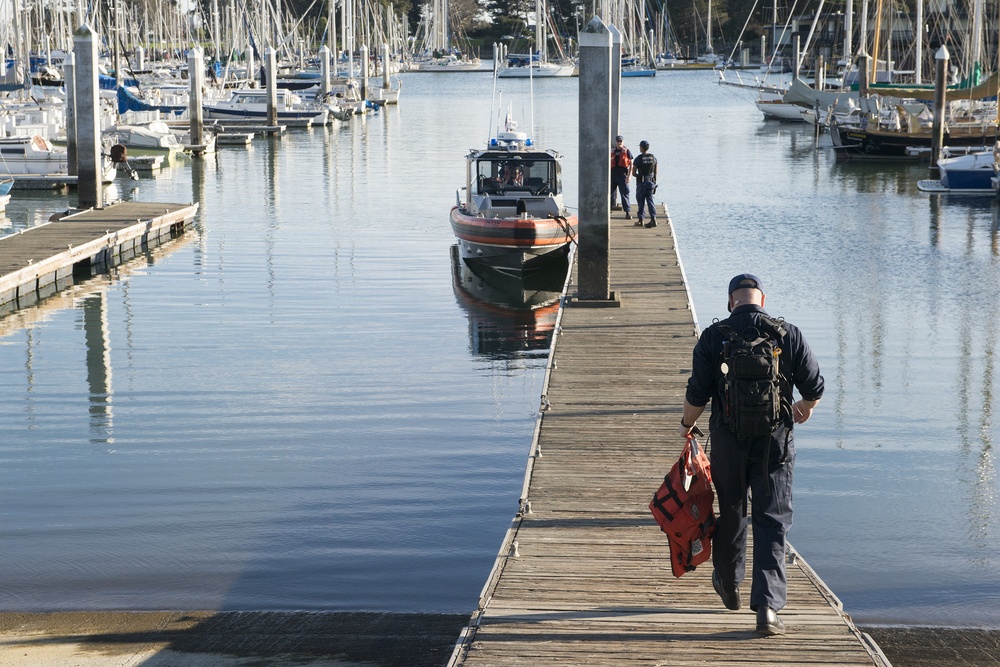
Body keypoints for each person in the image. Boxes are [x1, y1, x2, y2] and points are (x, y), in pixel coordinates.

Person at [678, 274, 824, 637]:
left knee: (731, 510)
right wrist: (806, 406)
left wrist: (685, 425)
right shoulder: (787, 334)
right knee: (772, 519)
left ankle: (728, 583)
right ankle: (768, 609)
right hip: (775, 441)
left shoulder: (714, 337)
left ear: (731, 302)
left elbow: (698, 393)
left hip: (728, 440)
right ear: (762, 299)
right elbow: (814, 385)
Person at [631, 140, 657, 228]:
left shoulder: (638, 159)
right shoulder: (653, 158)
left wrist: (639, 176)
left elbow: (633, 173)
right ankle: (653, 219)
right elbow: (655, 171)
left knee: (641, 202)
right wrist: (654, 180)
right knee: (650, 201)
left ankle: (641, 220)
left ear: (641, 148)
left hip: (642, 183)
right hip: (651, 182)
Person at [610, 135, 633, 219]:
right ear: (616, 142)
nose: (619, 143)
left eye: (621, 141)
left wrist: (629, 176)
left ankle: (627, 212)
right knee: (610, 193)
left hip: (622, 175)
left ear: (623, 142)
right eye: (618, 141)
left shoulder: (627, 151)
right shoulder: (612, 150)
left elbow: (631, 164)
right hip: (612, 174)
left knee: (624, 194)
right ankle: (609, 210)